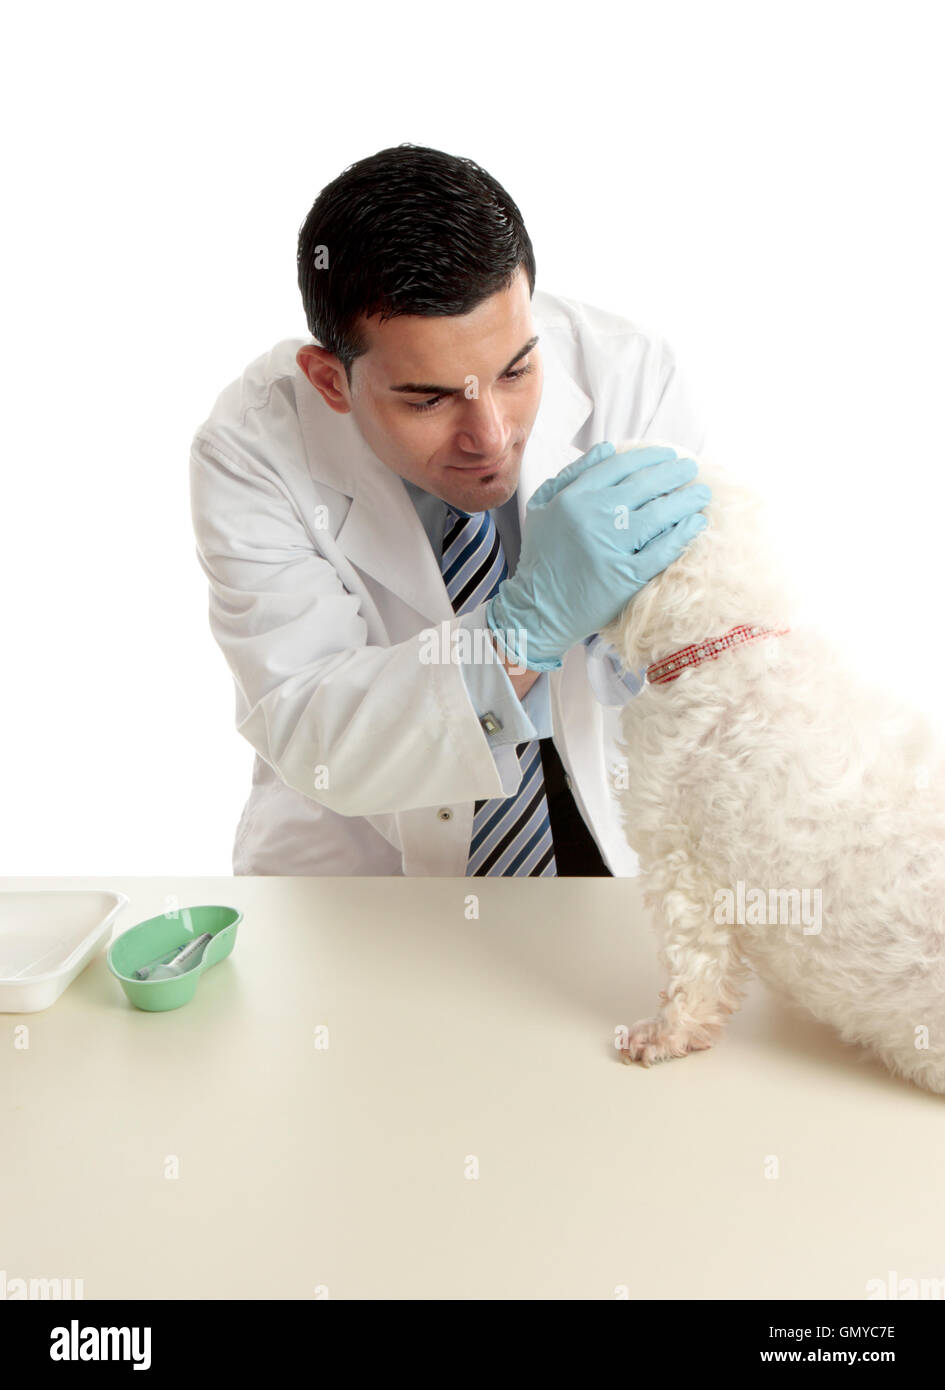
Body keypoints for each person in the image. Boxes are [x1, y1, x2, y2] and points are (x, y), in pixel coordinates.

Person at [189, 143, 711, 877]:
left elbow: (709, 647)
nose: (490, 436)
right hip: (366, 863)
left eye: (516, 371)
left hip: (610, 832)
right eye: (428, 399)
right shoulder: (252, 449)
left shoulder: (628, 374)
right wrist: (523, 630)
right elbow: (313, 725)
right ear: (330, 381)